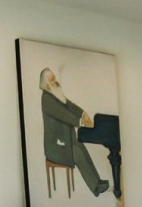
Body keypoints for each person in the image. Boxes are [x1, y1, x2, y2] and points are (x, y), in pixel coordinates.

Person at [38, 68, 109, 196]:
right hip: (53, 149)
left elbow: (69, 105)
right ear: (46, 84)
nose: (55, 81)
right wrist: (81, 122)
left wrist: (83, 113)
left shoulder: (54, 94)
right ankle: (95, 187)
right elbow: (64, 114)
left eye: (54, 77)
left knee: (80, 146)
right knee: (77, 152)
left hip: (62, 143)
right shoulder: (47, 99)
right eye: (52, 79)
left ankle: (97, 181)